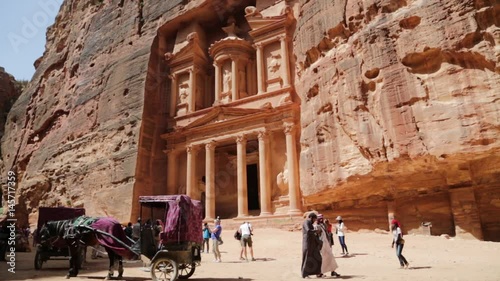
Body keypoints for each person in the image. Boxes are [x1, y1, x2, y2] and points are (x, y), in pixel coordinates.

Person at [301, 212, 322, 278]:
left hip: (312, 244)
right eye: (314, 219)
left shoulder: (310, 223)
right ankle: (305, 274)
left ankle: (317, 273)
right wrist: (316, 231)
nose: (314, 221)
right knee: (307, 258)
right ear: (311, 218)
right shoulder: (306, 222)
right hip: (307, 244)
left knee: (316, 258)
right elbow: (308, 231)